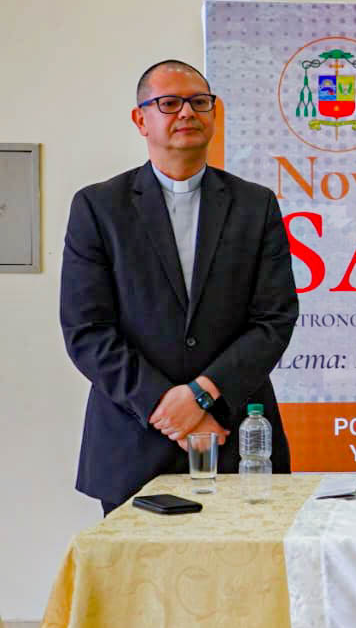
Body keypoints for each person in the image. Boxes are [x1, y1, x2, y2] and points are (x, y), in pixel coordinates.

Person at [60, 60, 298, 513]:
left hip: (234, 439)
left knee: (241, 581)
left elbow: (274, 318)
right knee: (139, 584)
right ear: (140, 119)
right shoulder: (99, 207)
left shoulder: (255, 204)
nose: (186, 113)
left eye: (199, 102)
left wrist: (205, 394)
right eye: (168, 103)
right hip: (133, 442)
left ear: (214, 112)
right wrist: (168, 406)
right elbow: (87, 329)